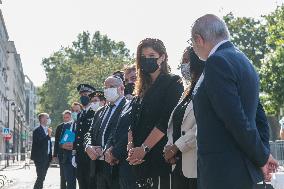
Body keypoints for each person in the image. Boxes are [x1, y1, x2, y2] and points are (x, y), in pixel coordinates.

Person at [190, 14, 277, 188]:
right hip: (242, 171)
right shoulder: (244, 60)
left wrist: (262, 157)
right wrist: (263, 154)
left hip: (223, 173)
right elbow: (258, 115)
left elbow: (235, 119)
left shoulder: (216, 62)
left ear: (199, 39)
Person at [127, 38, 184, 189]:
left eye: (152, 56)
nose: (147, 60)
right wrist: (131, 148)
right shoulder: (140, 88)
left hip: (159, 159)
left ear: (163, 57)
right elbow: (132, 123)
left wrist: (144, 149)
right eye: (143, 57)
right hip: (138, 161)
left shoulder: (173, 82)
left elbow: (166, 121)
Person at [164, 47, 204, 189]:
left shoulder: (206, 86)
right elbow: (175, 124)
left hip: (196, 165)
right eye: (182, 62)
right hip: (178, 164)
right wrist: (169, 147)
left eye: (186, 61)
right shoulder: (187, 91)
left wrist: (177, 147)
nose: (183, 66)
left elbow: (203, 125)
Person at [85, 76, 127, 189]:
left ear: (121, 88)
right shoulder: (100, 111)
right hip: (99, 167)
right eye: (105, 87)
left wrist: (110, 150)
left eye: (111, 87)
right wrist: (88, 146)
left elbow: (126, 134)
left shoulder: (128, 107)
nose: (108, 90)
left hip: (117, 166)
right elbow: (89, 133)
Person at [74, 84, 97, 189]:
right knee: (82, 183)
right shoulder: (80, 114)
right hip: (80, 156)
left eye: (86, 94)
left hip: (90, 156)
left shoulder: (96, 112)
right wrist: (75, 153)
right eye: (81, 94)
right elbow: (78, 135)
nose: (83, 96)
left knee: (91, 184)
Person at [55, 110, 77, 189]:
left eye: (67, 117)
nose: (66, 119)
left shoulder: (78, 124)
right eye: (64, 117)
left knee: (76, 180)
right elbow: (59, 142)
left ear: (71, 117)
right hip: (65, 157)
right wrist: (61, 147)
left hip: (77, 156)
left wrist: (74, 145)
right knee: (66, 178)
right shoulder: (63, 126)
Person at [31, 113, 52, 189]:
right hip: (39, 158)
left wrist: (51, 155)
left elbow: (48, 144)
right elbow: (39, 143)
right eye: (47, 118)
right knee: (40, 176)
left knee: (42, 177)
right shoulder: (37, 130)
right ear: (42, 119)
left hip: (47, 157)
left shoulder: (48, 129)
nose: (48, 119)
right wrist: (48, 136)